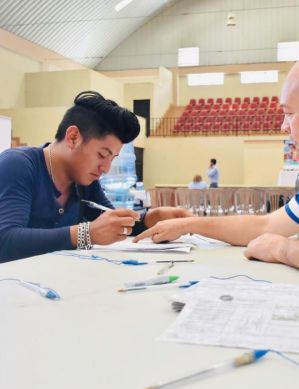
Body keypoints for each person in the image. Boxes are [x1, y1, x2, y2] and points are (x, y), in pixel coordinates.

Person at [134, 49, 299, 389]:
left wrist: (280, 249)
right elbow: (267, 225)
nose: (283, 127)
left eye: (289, 114)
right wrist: (191, 224)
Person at [0, 91, 191, 263]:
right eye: (102, 154)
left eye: (112, 158)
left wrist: (151, 218)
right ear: (73, 137)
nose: (106, 168)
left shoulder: (83, 180)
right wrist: (86, 234)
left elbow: (109, 225)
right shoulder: (18, 164)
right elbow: (5, 240)